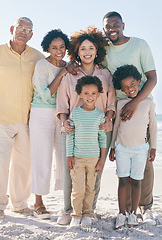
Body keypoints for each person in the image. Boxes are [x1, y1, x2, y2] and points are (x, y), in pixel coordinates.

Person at [0, 17, 44, 220]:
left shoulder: (37, 57)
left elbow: (53, 68)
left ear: (32, 35)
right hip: (1, 120)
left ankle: (20, 204)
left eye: (28, 30)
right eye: (20, 28)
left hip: (27, 121)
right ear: (12, 29)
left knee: (23, 165)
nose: (24, 32)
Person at [56, 26, 116, 225]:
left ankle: (89, 211)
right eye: (83, 48)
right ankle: (68, 211)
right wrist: (65, 123)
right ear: (77, 51)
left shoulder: (105, 74)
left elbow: (111, 103)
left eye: (91, 48)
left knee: (95, 172)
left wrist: (108, 120)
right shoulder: (69, 75)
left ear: (97, 50)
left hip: (100, 130)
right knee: (70, 171)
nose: (87, 52)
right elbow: (62, 105)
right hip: (73, 131)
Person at [102, 11, 158, 224]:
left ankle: (146, 207)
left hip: (141, 106)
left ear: (123, 25)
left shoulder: (140, 45)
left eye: (116, 24)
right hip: (118, 109)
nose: (112, 28)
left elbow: (152, 78)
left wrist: (135, 102)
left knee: (144, 164)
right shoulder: (105, 50)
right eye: (108, 26)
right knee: (123, 166)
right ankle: (125, 211)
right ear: (104, 28)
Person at [109, 64, 157, 229]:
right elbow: (116, 127)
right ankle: (121, 213)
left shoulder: (148, 102)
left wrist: (153, 147)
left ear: (139, 81)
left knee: (137, 182)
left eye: (132, 84)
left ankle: (133, 214)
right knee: (123, 181)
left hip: (140, 150)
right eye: (125, 87)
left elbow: (153, 127)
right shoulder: (121, 103)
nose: (130, 89)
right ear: (121, 89)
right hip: (122, 148)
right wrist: (113, 147)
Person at [29, 29, 70, 219]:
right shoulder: (41, 65)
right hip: (41, 114)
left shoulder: (69, 66)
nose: (59, 50)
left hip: (62, 114)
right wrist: (61, 74)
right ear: (47, 48)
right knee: (42, 157)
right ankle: (38, 202)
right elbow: (45, 94)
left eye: (62, 46)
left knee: (64, 157)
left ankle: (67, 204)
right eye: (54, 47)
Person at [66, 76, 107, 227]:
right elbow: (71, 135)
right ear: (80, 94)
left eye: (93, 93)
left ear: (98, 95)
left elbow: (102, 139)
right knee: (78, 189)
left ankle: (88, 214)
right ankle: (76, 215)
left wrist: (102, 159)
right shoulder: (75, 113)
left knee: (91, 188)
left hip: (94, 159)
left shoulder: (100, 115)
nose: (90, 97)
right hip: (77, 158)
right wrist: (69, 155)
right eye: (86, 93)